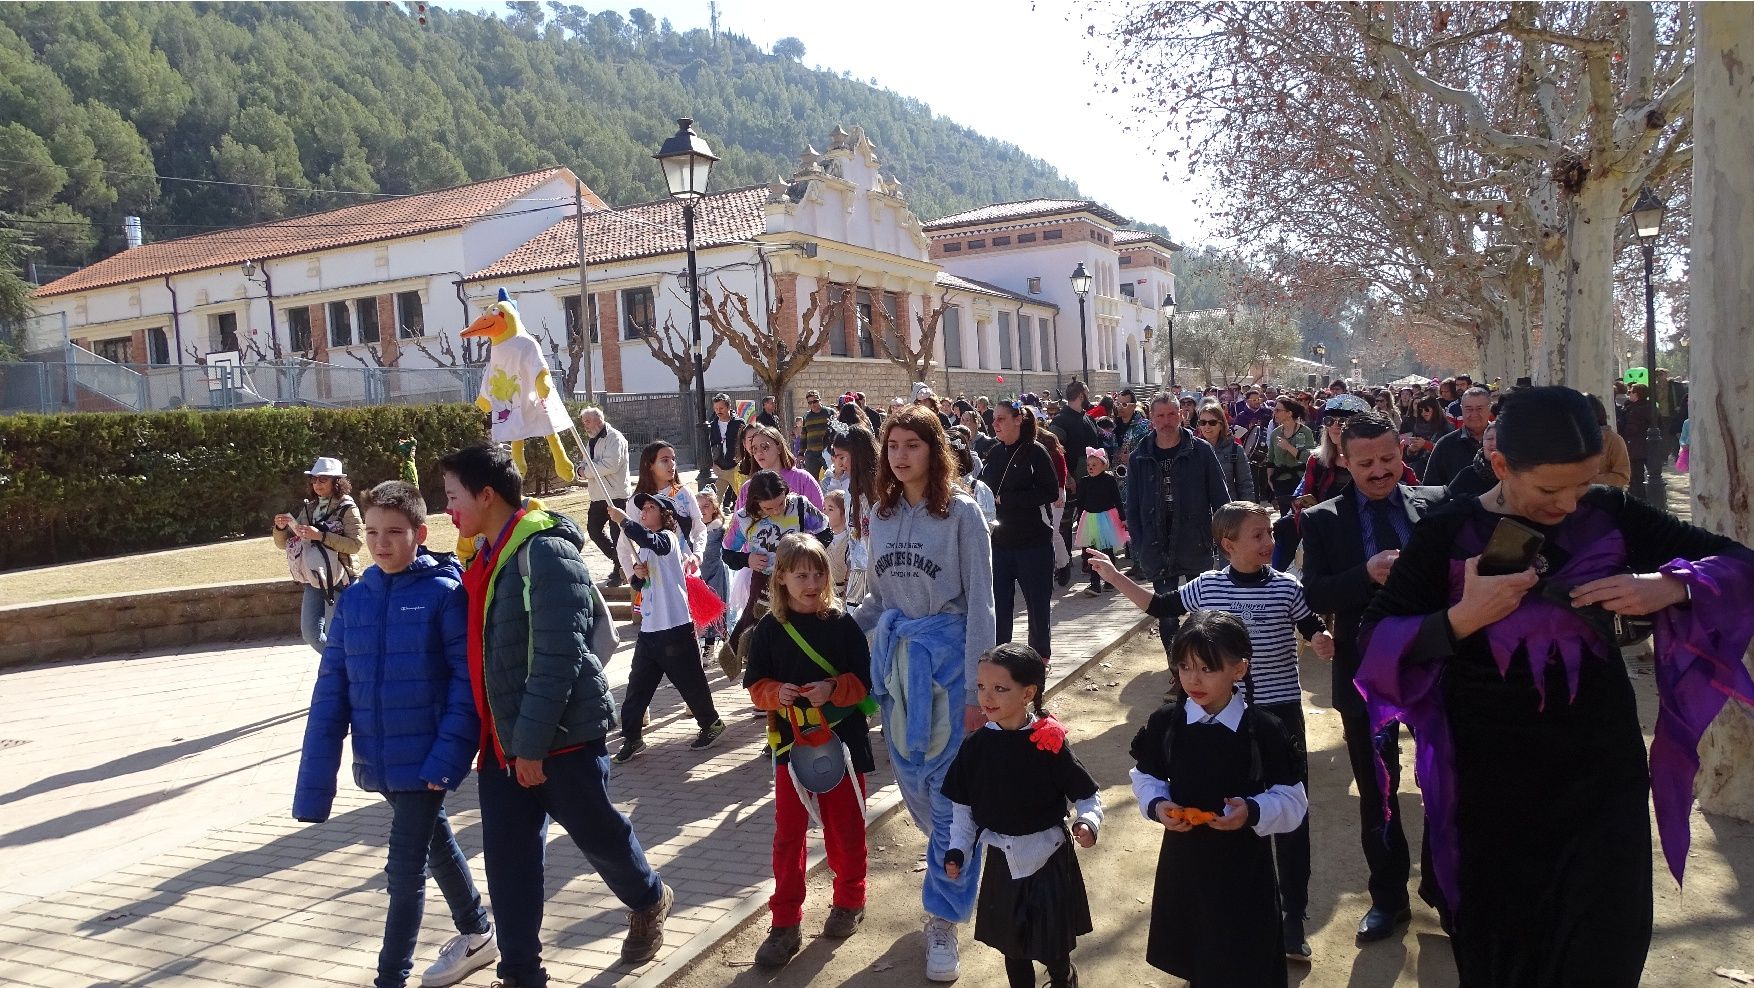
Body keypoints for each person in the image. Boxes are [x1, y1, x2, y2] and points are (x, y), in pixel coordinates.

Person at [1355, 386, 1754, 986]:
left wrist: (1669, 586)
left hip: (1600, 771)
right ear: (1499, 465)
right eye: (1548, 490)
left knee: (1605, 940)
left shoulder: (1611, 514)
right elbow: (1374, 637)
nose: (1569, 503)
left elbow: (1736, 563)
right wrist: (1464, 617)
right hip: (1489, 781)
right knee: (1504, 945)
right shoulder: (1449, 529)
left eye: (1582, 484)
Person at [438, 444, 672, 985]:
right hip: (501, 745)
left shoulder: (544, 552)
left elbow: (558, 656)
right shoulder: (482, 554)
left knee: (598, 836)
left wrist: (532, 746)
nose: (447, 508)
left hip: (559, 739)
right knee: (509, 865)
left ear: (486, 495)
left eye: (453, 496)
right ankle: (521, 975)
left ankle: (649, 897)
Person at [1090, 502, 1334, 959]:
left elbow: (1311, 624)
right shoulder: (1207, 586)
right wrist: (1114, 575)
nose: (1269, 542)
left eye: (1270, 534)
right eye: (1259, 535)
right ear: (1228, 544)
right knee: (1220, 807)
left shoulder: (1286, 588)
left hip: (1276, 714)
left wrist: (1320, 639)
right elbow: (1161, 605)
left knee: (1288, 813)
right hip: (1217, 717)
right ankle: (1212, 914)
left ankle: (1292, 915)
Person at [293, 480, 494, 988]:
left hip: (427, 763)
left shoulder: (445, 595)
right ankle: (478, 932)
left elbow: (466, 688)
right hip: (379, 764)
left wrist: (446, 760)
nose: (382, 543)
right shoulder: (356, 600)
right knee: (437, 844)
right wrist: (314, 788)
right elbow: (330, 692)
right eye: (375, 532)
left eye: (395, 532)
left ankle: (390, 978)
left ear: (420, 533)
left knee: (403, 874)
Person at [851, 405, 997, 982]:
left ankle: (943, 917)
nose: (901, 455)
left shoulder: (962, 514)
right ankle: (954, 854)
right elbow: (876, 600)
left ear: (935, 451)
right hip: (898, 675)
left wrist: (979, 693)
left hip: (951, 668)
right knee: (916, 788)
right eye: (893, 446)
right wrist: (829, 625)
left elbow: (983, 603)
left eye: (913, 445)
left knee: (950, 800)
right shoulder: (880, 516)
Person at [1298, 411, 1448, 946]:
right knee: (1379, 790)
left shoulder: (1436, 503)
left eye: (1388, 459)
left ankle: (1444, 891)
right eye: (1367, 463)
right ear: (1344, 461)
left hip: (1439, 670)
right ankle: (1389, 898)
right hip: (1367, 677)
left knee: (1445, 783)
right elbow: (1313, 593)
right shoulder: (1323, 520)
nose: (1380, 471)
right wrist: (1364, 573)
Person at [1128, 611, 1310, 987]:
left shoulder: (1264, 730)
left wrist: (1254, 811)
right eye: (1184, 667)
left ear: (1239, 669)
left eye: (1207, 668)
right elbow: (1146, 777)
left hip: (1244, 870)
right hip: (1186, 866)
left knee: (1246, 960)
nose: (1193, 679)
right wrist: (1158, 806)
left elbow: (1293, 801)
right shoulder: (1167, 724)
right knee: (1199, 959)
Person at [745, 534, 875, 968]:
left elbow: (863, 684)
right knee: (788, 835)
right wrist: (774, 693)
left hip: (842, 745)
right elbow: (754, 687)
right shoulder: (768, 630)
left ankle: (850, 898)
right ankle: (784, 922)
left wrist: (833, 689)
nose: (812, 581)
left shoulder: (842, 625)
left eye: (819, 572)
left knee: (845, 827)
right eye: (802, 574)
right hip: (791, 748)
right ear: (780, 578)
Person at [942, 644, 1101, 988]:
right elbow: (964, 809)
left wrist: (1089, 822)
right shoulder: (975, 746)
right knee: (1012, 947)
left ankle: (1062, 978)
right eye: (981, 687)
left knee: (1053, 942)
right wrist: (958, 850)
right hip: (1002, 859)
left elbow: (1086, 795)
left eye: (1000, 688)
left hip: (1048, 857)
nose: (987, 697)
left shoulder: (1048, 742)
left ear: (1028, 693)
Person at [610, 491, 725, 762]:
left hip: (674, 626)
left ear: (665, 515)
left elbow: (652, 540)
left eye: (650, 508)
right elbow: (643, 586)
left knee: (690, 681)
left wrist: (624, 521)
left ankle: (711, 723)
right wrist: (636, 576)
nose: (644, 512)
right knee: (637, 684)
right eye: (642, 509)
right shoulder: (646, 548)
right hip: (649, 630)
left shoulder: (668, 540)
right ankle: (632, 736)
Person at [1125, 394, 1233, 660]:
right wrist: (1139, 545)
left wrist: (1226, 537)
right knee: (1168, 614)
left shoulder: (1200, 450)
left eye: (1171, 414)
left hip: (1195, 540)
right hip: (1157, 544)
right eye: (1160, 416)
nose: (1166, 421)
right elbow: (1133, 506)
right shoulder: (1140, 456)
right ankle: (1177, 667)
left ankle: (1202, 661)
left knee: (1202, 611)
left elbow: (1220, 496)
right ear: (1151, 420)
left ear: (1182, 415)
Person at [721, 469, 832, 677]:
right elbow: (726, 553)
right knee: (764, 631)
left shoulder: (800, 505)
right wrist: (747, 559)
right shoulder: (743, 518)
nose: (777, 511)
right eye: (768, 508)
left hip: (798, 579)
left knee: (799, 625)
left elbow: (826, 532)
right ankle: (765, 685)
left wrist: (807, 554)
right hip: (764, 581)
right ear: (755, 503)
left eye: (781, 504)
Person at [979, 399, 1061, 665]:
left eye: (1001, 418)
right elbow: (983, 487)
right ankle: (1000, 662)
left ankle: (1039, 664)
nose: (995, 424)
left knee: (1038, 610)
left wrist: (1008, 499)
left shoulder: (1036, 452)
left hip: (1033, 544)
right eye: (994, 419)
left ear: (1018, 420)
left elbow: (1050, 491)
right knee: (1000, 608)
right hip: (1000, 545)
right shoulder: (994, 453)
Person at [274, 456, 364, 654]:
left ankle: (341, 670)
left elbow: (356, 544)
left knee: (334, 632)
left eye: (322, 479)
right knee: (310, 633)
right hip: (314, 575)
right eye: (314, 480)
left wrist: (321, 536)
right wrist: (281, 528)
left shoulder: (348, 508)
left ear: (336, 481)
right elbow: (285, 543)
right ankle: (340, 663)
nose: (317, 484)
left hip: (341, 577)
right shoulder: (310, 507)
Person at [579, 408, 631, 586]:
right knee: (593, 530)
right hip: (597, 496)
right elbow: (585, 462)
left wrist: (585, 471)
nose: (584, 425)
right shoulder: (591, 440)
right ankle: (619, 561)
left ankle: (621, 569)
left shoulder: (615, 438)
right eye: (583, 421)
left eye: (587, 421)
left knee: (617, 534)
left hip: (615, 494)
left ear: (598, 420)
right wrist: (581, 469)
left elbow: (610, 465)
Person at [1071, 447, 1126, 597]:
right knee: (1092, 551)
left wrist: (1123, 518)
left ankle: (1110, 580)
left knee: (1107, 551)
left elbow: (1117, 500)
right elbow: (1080, 502)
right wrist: (1079, 519)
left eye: (1094, 465)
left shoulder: (1109, 480)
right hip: (1090, 519)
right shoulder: (1084, 481)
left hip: (1106, 519)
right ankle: (1095, 583)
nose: (1091, 468)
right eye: (1089, 465)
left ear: (1103, 465)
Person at [737, 422, 824, 510]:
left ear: (779, 448)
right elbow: (738, 521)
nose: (759, 453)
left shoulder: (803, 479)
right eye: (754, 449)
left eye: (764, 447)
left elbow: (820, 516)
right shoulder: (748, 487)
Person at [1423, 386, 1491, 488]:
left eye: (1479, 409)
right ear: (1461, 410)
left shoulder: (1504, 441)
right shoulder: (1445, 445)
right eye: (1469, 409)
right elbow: (1430, 489)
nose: (1474, 414)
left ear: (1489, 409)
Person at [1264, 399, 1317, 519]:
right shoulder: (1275, 433)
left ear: (1289, 413)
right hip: (1280, 481)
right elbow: (1270, 459)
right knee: (1285, 517)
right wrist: (1270, 479)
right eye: (1274, 410)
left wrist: (1288, 447)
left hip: (1299, 480)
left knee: (1300, 515)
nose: (1275, 413)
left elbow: (1309, 457)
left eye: (1278, 410)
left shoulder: (1305, 432)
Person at [1196, 401, 1256, 504]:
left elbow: (1246, 486)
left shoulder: (1235, 450)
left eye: (1212, 422)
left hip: (1228, 512)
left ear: (1221, 424)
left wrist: (1247, 514)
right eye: (1202, 422)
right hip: (1200, 512)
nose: (1207, 427)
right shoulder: (1192, 449)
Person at [1401, 395, 1454, 480]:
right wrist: (1411, 450)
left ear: (1435, 409)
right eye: (1420, 410)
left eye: (1427, 409)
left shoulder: (1446, 428)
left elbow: (1448, 453)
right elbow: (1411, 457)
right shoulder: (1418, 427)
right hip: (1418, 472)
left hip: (1437, 475)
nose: (1423, 413)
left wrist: (1426, 445)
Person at [1586, 393, 1632, 488]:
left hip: (1598, 499)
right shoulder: (1566, 439)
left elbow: (1622, 477)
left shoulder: (1613, 440)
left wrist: (1586, 481)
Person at [704, 393, 745, 499]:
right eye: (716, 408)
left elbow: (744, 442)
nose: (718, 411)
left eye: (721, 408)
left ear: (729, 407)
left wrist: (742, 460)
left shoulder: (738, 423)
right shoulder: (712, 425)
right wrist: (712, 463)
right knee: (714, 500)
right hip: (720, 468)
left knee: (744, 497)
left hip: (735, 467)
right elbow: (709, 445)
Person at [1621, 381, 1656, 502]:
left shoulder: (1635, 410)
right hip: (1647, 446)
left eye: (1631, 392)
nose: (1629, 394)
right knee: (1646, 473)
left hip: (1635, 447)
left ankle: (1638, 499)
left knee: (1636, 476)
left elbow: (1630, 429)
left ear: (1638, 394)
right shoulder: (1650, 407)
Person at [800, 390, 834, 478]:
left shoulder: (830, 412)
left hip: (827, 452)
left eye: (815, 401)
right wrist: (801, 453)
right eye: (809, 403)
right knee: (811, 480)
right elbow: (804, 435)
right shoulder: (806, 416)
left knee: (832, 478)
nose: (812, 404)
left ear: (820, 400)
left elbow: (836, 431)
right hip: (812, 454)